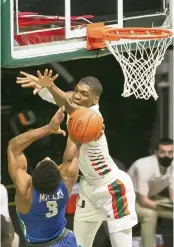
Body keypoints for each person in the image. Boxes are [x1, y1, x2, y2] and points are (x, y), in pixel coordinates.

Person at [16, 69, 138, 247]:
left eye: (84, 94)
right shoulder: (74, 100)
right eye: (77, 90)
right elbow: (63, 99)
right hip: (88, 187)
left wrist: (51, 86)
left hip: (113, 188)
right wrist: (43, 88)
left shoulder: (93, 117)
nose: (79, 96)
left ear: (95, 100)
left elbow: (68, 106)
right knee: (77, 244)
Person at [7, 106, 81, 247]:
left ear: (32, 180)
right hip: (66, 242)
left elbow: (13, 147)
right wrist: (75, 119)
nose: (47, 157)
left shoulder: (25, 192)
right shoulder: (67, 180)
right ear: (59, 177)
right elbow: (72, 154)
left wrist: (48, 128)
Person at [127, 138, 173, 247]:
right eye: (162, 152)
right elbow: (144, 202)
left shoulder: (173, 165)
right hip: (124, 201)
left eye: (170, 152)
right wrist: (168, 207)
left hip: (148, 198)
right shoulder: (143, 166)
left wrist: (171, 205)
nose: (166, 156)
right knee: (149, 214)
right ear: (156, 153)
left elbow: (172, 193)